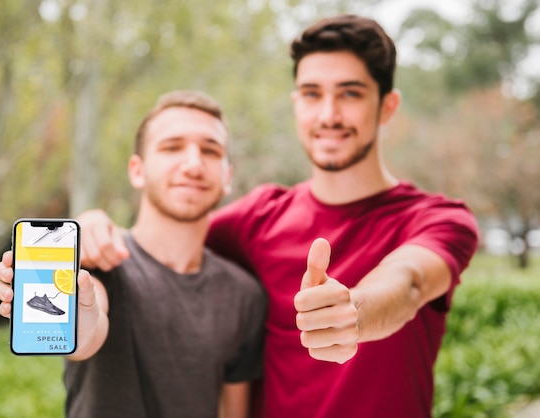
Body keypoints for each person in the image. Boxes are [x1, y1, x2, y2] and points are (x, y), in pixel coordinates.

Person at [76, 14, 479, 418]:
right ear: (296, 103)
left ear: (387, 106)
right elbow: (163, 238)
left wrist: (354, 312)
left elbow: (409, 283)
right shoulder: (257, 219)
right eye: (311, 93)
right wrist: (95, 225)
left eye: (351, 94)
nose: (328, 114)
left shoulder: (438, 219)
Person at [0, 90, 267, 418]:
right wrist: (76, 321)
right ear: (137, 170)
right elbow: (88, 330)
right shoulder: (96, 260)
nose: (193, 164)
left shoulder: (244, 295)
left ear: (227, 177)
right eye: (172, 147)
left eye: (210, 150)